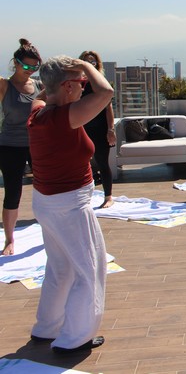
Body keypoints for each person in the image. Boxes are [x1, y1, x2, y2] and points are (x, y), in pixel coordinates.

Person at [27, 55, 114, 353]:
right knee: (90, 270)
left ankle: (47, 328)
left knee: (60, 268)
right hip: (69, 205)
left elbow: (44, 94)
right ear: (67, 87)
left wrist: (62, 78)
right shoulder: (63, 119)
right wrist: (85, 66)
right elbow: (106, 93)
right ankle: (74, 338)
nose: (83, 89)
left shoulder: (38, 111)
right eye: (79, 85)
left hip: (46, 202)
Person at [0, 38, 42, 255]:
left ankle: (50, 228)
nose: (30, 70)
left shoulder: (38, 86)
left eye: (35, 67)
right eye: (26, 66)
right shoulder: (4, 85)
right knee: (13, 192)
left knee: (46, 188)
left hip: (37, 144)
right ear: (15, 63)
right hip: (10, 145)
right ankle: (9, 239)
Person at [78, 51, 116, 208]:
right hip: (82, 128)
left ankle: (108, 197)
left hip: (100, 128)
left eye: (93, 62)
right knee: (80, 164)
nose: (90, 65)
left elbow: (108, 108)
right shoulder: (77, 83)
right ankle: (82, 196)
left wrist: (111, 129)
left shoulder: (101, 83)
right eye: (86, 62)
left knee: (102, 163)